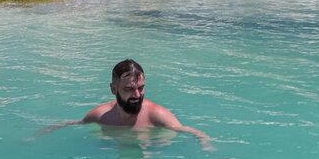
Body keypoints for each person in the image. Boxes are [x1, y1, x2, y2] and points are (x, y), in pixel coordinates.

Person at [50, 60, 212, 150]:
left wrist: (205, 143)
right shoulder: (100, 115)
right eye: (129, 89)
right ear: (113, 89)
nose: (137, 95)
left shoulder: (156, 114)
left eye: (140, 88)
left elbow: (190, 131)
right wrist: (46, 131)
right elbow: (76, 123)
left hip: (149, 157)